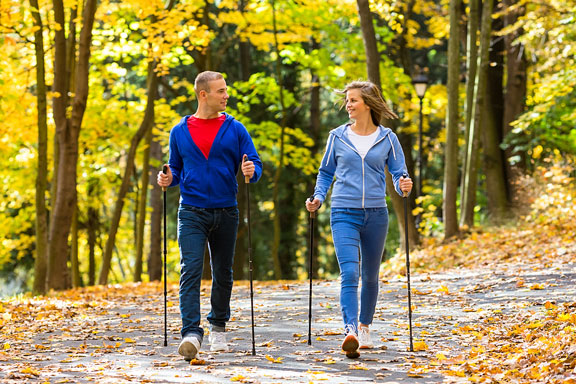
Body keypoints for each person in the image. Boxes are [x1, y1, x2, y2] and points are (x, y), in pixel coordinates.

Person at [157, 71, 262, 361]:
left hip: (226, 210)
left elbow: (254, 161)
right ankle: (191, 332)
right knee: (190, 269)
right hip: (191, 210)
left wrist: (251, 171)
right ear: (203, 95)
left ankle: (218, 325)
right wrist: (168, 179)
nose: (226, 95)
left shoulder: (235, 128)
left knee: (223, 272)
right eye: (220, 91)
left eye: (225, 90)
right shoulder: (179, 131)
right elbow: (175, 168)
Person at [305, 80, 412, 359]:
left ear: (367, 103)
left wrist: (404, 184)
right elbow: (326, 172)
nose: (348, 105)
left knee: (371, 276)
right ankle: (350, 329)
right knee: (350, 273)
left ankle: (365, 327)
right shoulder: (337, 136)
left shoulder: (387, 138)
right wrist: (318, 197)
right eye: (347, 100)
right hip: (343, 212)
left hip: (377, 214)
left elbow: (399, 171)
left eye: (353, 100)